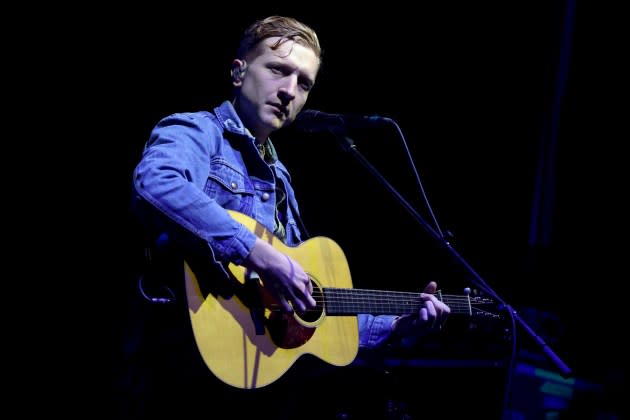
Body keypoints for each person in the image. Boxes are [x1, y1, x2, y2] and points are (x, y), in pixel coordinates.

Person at [119, 15, 450, 419]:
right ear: (239, 72)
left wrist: (399, 327)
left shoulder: (281, 180)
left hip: (258, 390)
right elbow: (155, 183)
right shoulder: (197, 131)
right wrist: (259, 253)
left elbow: (312, 310)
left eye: (304, 82)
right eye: (278, 70)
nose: (289, 91)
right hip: (177, 373)